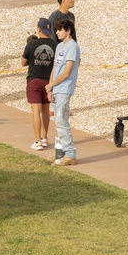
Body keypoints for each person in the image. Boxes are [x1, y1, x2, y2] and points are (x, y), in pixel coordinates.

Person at [46, 19, 80, 166]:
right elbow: (55, 68)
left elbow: (66, 72)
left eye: (60, 30)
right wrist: (50, 87)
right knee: (59, 121)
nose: (57, 32)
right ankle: (60, 153)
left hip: (65, 88)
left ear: (68, 30)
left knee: (61, 121)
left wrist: (52, 84)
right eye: (56, 30)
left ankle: (70, 154)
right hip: (56, 88)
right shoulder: (59, 46)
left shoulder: (73, 47)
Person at [22, 19, 56, 150]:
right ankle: (45, 138)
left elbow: (23, 62)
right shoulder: (55, 45)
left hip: (34, 80)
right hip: (49, 81)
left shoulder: (31, 44)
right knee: (46, 110)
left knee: (36, 111)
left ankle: (38, 141)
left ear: (39, 29)